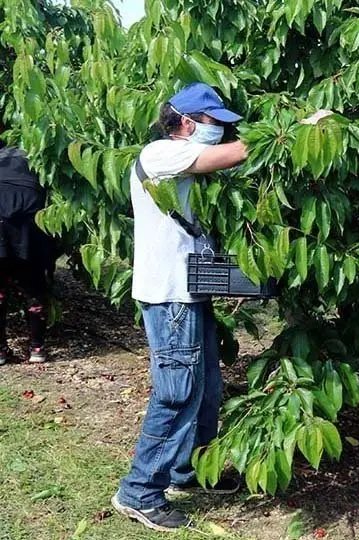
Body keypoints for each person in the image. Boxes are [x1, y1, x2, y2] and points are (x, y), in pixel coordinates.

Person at [112, 83, 248, 532]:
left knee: (207, 387)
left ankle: (186, 473)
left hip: (191, 290)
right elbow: (231, 155)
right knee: (177, 392)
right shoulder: (159, 153)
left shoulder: (183, 165)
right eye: (214, 123)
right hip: (169, 295)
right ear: (187, 122)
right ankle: (139, 491)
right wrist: (295, 128)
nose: (221, 133)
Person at [0, 144, 55, 364]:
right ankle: (37, 348)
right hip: (29, 224)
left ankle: (1, 351)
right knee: (33, 288)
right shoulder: (33, 159)